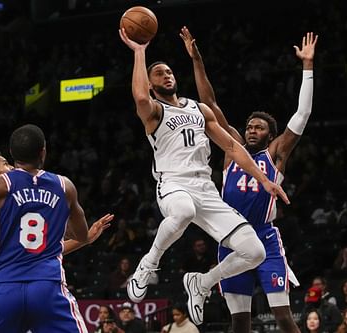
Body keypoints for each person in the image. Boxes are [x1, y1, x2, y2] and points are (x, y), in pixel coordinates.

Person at [118, 28, 289, 326]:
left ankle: (202, 283)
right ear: (151, 82)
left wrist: (264, 180)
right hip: (173, 184)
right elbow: (139, 97)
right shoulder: (154, 112)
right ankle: (149, 263)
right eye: (159, 73)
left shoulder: (199, 110)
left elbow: (232, 146)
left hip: (205, 188)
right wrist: (139, 51)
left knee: (254, 251)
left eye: (169, 71)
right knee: (183, 211)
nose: (166, 75)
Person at [180, 26, 317, 333]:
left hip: (265, 238)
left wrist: (307, 66)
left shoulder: (277, 153)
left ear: (270, 133)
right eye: (249, 126)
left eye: (258, 127)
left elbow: (303, 114)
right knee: (239, 320)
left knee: (283, 315)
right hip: (231, 238)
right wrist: (196, 60)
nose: (252, 129)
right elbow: (209, 105)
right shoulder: (232, 151)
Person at [0, 124, 113, 332]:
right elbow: (79, 233)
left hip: (4, 286)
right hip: (47, 285)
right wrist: (73, 231)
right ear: (43, 151)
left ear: (13, 154)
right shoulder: (64, 186)